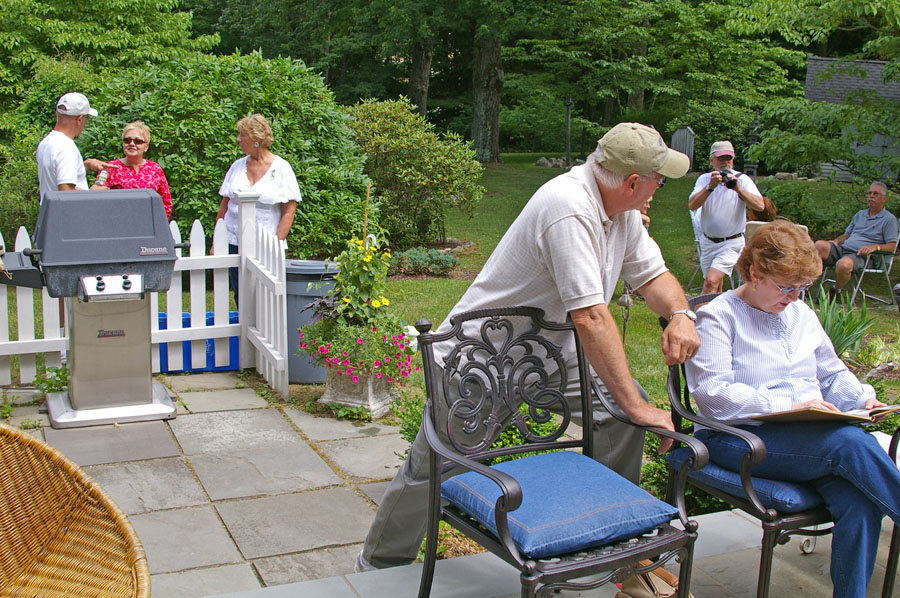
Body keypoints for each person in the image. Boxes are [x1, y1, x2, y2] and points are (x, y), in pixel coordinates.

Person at [357, 122, 700, 572]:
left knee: (617, 415)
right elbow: (591, 317)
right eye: (659, 179)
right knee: (436, 469)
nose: (662, 187)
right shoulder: (568, 207)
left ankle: (613, 551)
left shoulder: (623, 213)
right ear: (633, 181)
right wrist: (638, 407)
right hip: (480, 358)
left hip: (548, 357)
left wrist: (680, 313)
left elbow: (653, 277)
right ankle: (379, 567)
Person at [685, 220, 900, 598]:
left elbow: (832, 373)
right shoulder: (719, 316)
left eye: (803, 287)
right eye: (786, 286)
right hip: (737, 436)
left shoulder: (800, 314)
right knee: (847, 444)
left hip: (806, 439)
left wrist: (861, 399)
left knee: (859, 501)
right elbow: (712, 396)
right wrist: (792, 404)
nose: (795, 297)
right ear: (754, 272)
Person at [215, 114, 300, 307]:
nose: (238, 139)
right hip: (233, 241)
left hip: (265, 244)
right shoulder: (237, 166)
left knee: (265, 298)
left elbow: (289, 211)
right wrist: (216, 240)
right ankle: (243, 335)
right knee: (240, 295)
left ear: (256, 139)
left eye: (242, 135)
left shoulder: (282, 168)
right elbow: (224, 205)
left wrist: (276, 245)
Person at [688, 140, 765, 294]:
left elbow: (760, 206)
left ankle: (697, 315)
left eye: (728, 158)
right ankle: (717, 315)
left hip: (731, 242)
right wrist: (710, 187)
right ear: (712, 160)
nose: (725, 162)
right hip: (708, 241)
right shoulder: (704, 180)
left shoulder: (742, 180)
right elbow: (692, 205)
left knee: (711, 281)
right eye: (720, 158)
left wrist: (738, 189)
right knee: (715, 284)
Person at [814, 181, 898, 299]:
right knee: (819, 245)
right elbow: (846, 235)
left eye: (875, 193)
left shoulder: (889, 220)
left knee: (843, 264)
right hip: (844, 248)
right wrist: (836, 241)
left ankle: (835, 291)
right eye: (869, 193)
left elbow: (891, 246)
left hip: (862, 256)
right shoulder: (860, 214)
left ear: (884, 198)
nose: (871, 196)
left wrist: (875, 247)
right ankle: (805, 286)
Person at [36, 92, 115, 201]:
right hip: (66, 216)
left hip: (50, 214)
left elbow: (56, 174)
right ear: (79, 119)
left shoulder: (46, 142)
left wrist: (85, 166)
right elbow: (67, 194)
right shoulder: (66, 148)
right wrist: (93, 193)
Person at [91, 121, 173, 219]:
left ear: (146, 147)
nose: (132, 144)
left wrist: (159, 223)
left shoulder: (155, 169)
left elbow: (165, 202)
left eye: (138, 141)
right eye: (127, 140)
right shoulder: (111, 168)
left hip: (149, 224)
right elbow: (98, 198)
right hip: (118, 222)